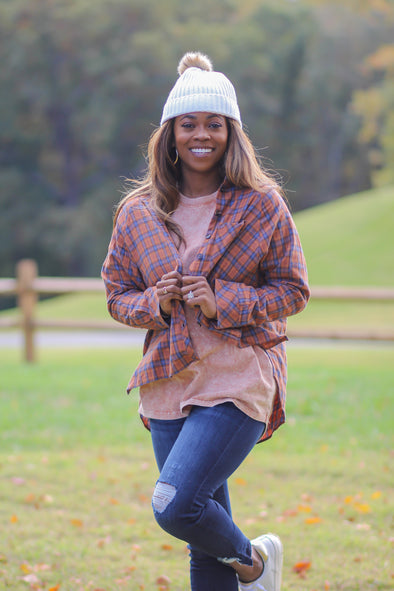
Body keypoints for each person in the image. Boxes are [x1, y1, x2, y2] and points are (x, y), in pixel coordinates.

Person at [102, 51, 309, 591]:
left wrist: (224, 301)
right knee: (199, 535)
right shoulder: (138, 213)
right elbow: (117, 295)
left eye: (214, 125)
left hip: (240, 375)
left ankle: (255, 565)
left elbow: (293, 290)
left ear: (231, 132)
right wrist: (157, 303)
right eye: (188, 124)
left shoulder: (263, 206)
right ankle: (247, 570)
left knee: (174, 504)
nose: (201, 135)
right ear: (169, 134)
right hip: (169, 378)